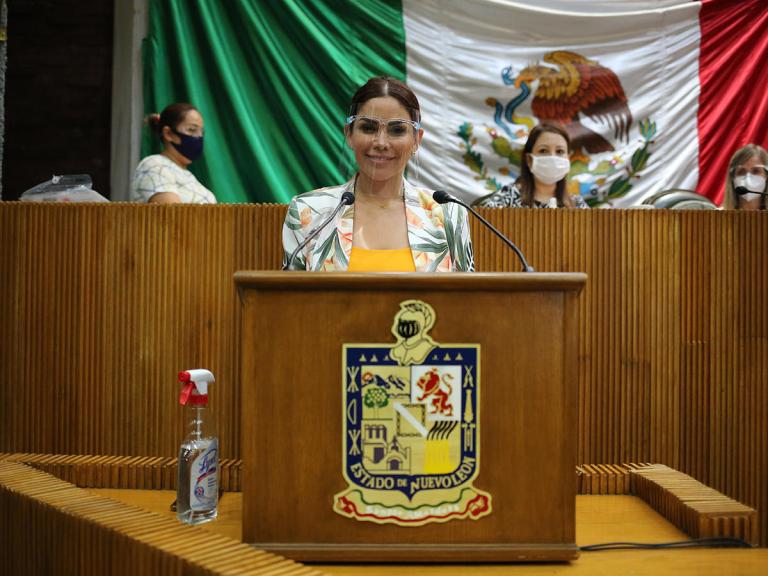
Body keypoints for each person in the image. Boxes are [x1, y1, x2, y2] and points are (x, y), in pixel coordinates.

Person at [282, 76, 474, 272]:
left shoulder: (448, 214)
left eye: (397, 130)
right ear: (349, 134)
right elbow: (288, 300)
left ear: (417, 139)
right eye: (368, 128)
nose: (381, 142)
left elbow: (467, 299)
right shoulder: (307, 212)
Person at [475, 122, 588, 209]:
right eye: (543, 151)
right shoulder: (505, 200)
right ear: (529, 159)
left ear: (568, 158)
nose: (552, 157)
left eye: (559, 151)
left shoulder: (577, 205)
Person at [131, 103, 216, 204]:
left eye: (201, 132)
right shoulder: (155, 165)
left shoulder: (186, 174)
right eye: (191, 130)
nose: (198, 137)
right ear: (168, 133)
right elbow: (173, 216)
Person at [721, 144, 768, 210]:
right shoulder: (716, 216)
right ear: (732, 178)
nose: (748, 179)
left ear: (766, 176)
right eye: (741, 172)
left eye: (756, 171)